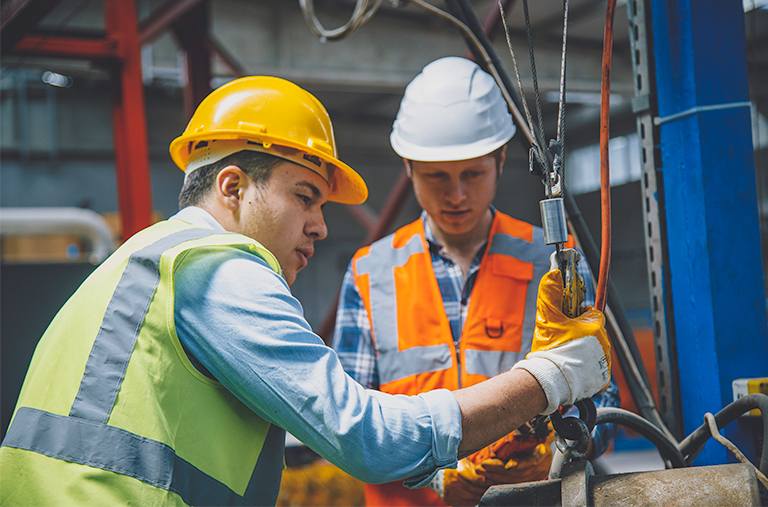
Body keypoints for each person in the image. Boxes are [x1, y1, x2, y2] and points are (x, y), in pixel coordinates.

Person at [0, 76, 611, 507]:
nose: (320, 225)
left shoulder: (143, 259)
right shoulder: (219, 271)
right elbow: (367, 438)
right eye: (304, 197)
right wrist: (550, 377)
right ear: (234, 187)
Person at [333, 56, 621, 506]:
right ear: (408, 168)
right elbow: (348, 427)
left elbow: (602, 403)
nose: (456, 195)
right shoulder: (369, 271)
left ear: (501, 160)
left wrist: (558, 447)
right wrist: (435, 476)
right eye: (436, 177)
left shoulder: (553, 263)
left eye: (472, 173)